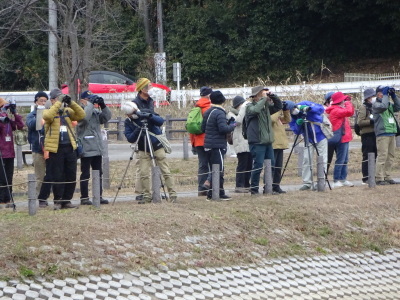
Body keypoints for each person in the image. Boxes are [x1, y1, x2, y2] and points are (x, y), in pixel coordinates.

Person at [124, 78, 177, 203]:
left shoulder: (150, 101)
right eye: (149, 87)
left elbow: (158, 121)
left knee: (165, 169)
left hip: (155, 142)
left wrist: (149, 115)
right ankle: (146, 195)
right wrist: (141, 118)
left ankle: (173, 194)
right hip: (143, 143)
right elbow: (132, 130)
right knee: (144, 172)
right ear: (142, 89)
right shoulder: (134, 103)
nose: (151, 89)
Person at [43, 88, 86, 210]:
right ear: (52, 100)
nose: (60, 100)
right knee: (58, 175)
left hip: (69, 147)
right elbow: (47, 116)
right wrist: (57, 103)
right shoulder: (49, 111)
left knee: (71, 175)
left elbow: (81, 115)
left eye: (61, 98)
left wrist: (71, 102)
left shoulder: (67, 111)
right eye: (57, 98)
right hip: (56, 149)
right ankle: (58, 200)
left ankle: (67, 200)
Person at [77, 91, 112, 205]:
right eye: (88, 99)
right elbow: (84, 118)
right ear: (82, 100)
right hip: (86, 147)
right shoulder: (79, 111)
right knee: (85, 173)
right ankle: (84, 197)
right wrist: (90, 104)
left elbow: (106, 118)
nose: (90, 101)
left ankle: (99, 196)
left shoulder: (95, 112)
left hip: (97, 148)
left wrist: (103, 106)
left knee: (98, 173)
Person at [245, 86, 281, 195]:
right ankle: (254, 189)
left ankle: (268, 188)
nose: (264, 95)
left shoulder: (266, 107)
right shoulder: (249, 106)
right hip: (257, 141)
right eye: (262, 93)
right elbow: (256, 110)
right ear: (256, 96)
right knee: (258, 165)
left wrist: (273, 96)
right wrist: (264, 99)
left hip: (267, 141)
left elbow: (278, 106)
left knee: (271, 165)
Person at [201, 91, 236, 200]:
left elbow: (203, 128)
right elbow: (223, 129)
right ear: (222, 100)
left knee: (214, 168)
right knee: (219, 169)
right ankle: (219, 193)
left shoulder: (208, 111)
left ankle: (212, 193)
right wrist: (232, 124)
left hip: (208, 144)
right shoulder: (220, 113)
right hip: (217, 145)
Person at [289, 100, 329, 191]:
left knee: (322, 159)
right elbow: (295, 130)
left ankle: (321, 182)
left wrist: (309, 109)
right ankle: (307, 183)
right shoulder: (290, 115)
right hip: (308, 138)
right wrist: (298, 124)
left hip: (320, 135)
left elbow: (321, 109)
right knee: (306, 159)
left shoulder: (305, 103)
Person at [325, 91, 355, 188]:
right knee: (340, 159)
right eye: (343, 100)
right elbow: (350, 112)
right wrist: (348, 102)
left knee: (345, 159)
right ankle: (337, 179)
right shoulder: (336, 110)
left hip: (344, 137)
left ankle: (343, 178)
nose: (344, 101)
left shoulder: (337, 109)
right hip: (341, 138)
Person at [372, 85, 400, 185]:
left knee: (391, 156)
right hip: (382, 134)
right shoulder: (376, 105)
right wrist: (385, 95)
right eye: (382, 93)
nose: (384, 95)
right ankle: (379, 178)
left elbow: (398, 106)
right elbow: (383, 106)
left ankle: (387, 176)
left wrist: (393, 95)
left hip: (391, 132)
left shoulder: (388, 103)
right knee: (382, 156)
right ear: (377, 94)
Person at [0, 98, 24, 207]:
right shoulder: (2, 120)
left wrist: (14, 112)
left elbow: (20, 125)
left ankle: (8, 198)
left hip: (9, 153)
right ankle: (1, 198)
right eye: (3, 107)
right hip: (1, 153)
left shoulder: (8, 121)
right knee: (1, 177)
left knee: (9, 177)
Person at [26, 91, 48, 207]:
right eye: (41, 101)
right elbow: (34, 125)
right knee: (40, 176)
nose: (43, 103)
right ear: (36, 101)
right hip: (38, 149)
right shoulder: (31, 115)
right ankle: (36, 198)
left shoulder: (50, 113)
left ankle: (45, 197)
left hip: (49, 148)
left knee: (50, 175)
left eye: (45, 101)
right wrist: (40, 113)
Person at [227, 95, 252, 193]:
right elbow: (237, 122)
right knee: (242, 164)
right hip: (240, 141)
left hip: (247, 141)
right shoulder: (231, 115)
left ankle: (246, 184)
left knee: (249, 164)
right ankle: (239, 185)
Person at [190, 86, 212, 196]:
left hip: (198, 141)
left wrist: (193, 142)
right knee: (213, 164)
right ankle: (209, 186)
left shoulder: (196, 107)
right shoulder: (209, 108)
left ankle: (201, 188)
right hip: (208, 140)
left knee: (202, 165)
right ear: (209, 95)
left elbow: (191, 127)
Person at [270, 101, 291, 194]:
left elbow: (287, 120)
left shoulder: (278, 117)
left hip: (280, 145)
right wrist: (278, 109)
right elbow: (272, 120)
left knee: (278, 168)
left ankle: (276, 186)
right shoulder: (270, 115)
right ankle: (269, 186)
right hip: (273, 145)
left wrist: (285, 110)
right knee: (272, 167)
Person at [357, 88, 377, 184]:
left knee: (375, 155)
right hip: (367, 134)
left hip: (375, 134)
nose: (374, 97)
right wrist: (371, 121)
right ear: (368, 97)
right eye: (373, 96)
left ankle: (373, 175)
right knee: (367, 155)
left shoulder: (374, 106)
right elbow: (360, 122)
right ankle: (366, 177)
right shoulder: (363, 107)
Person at [324, 91, 336, 174]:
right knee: (327, 157)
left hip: (337, 133)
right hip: (328, 135)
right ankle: (324, 175)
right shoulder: (324, 108)